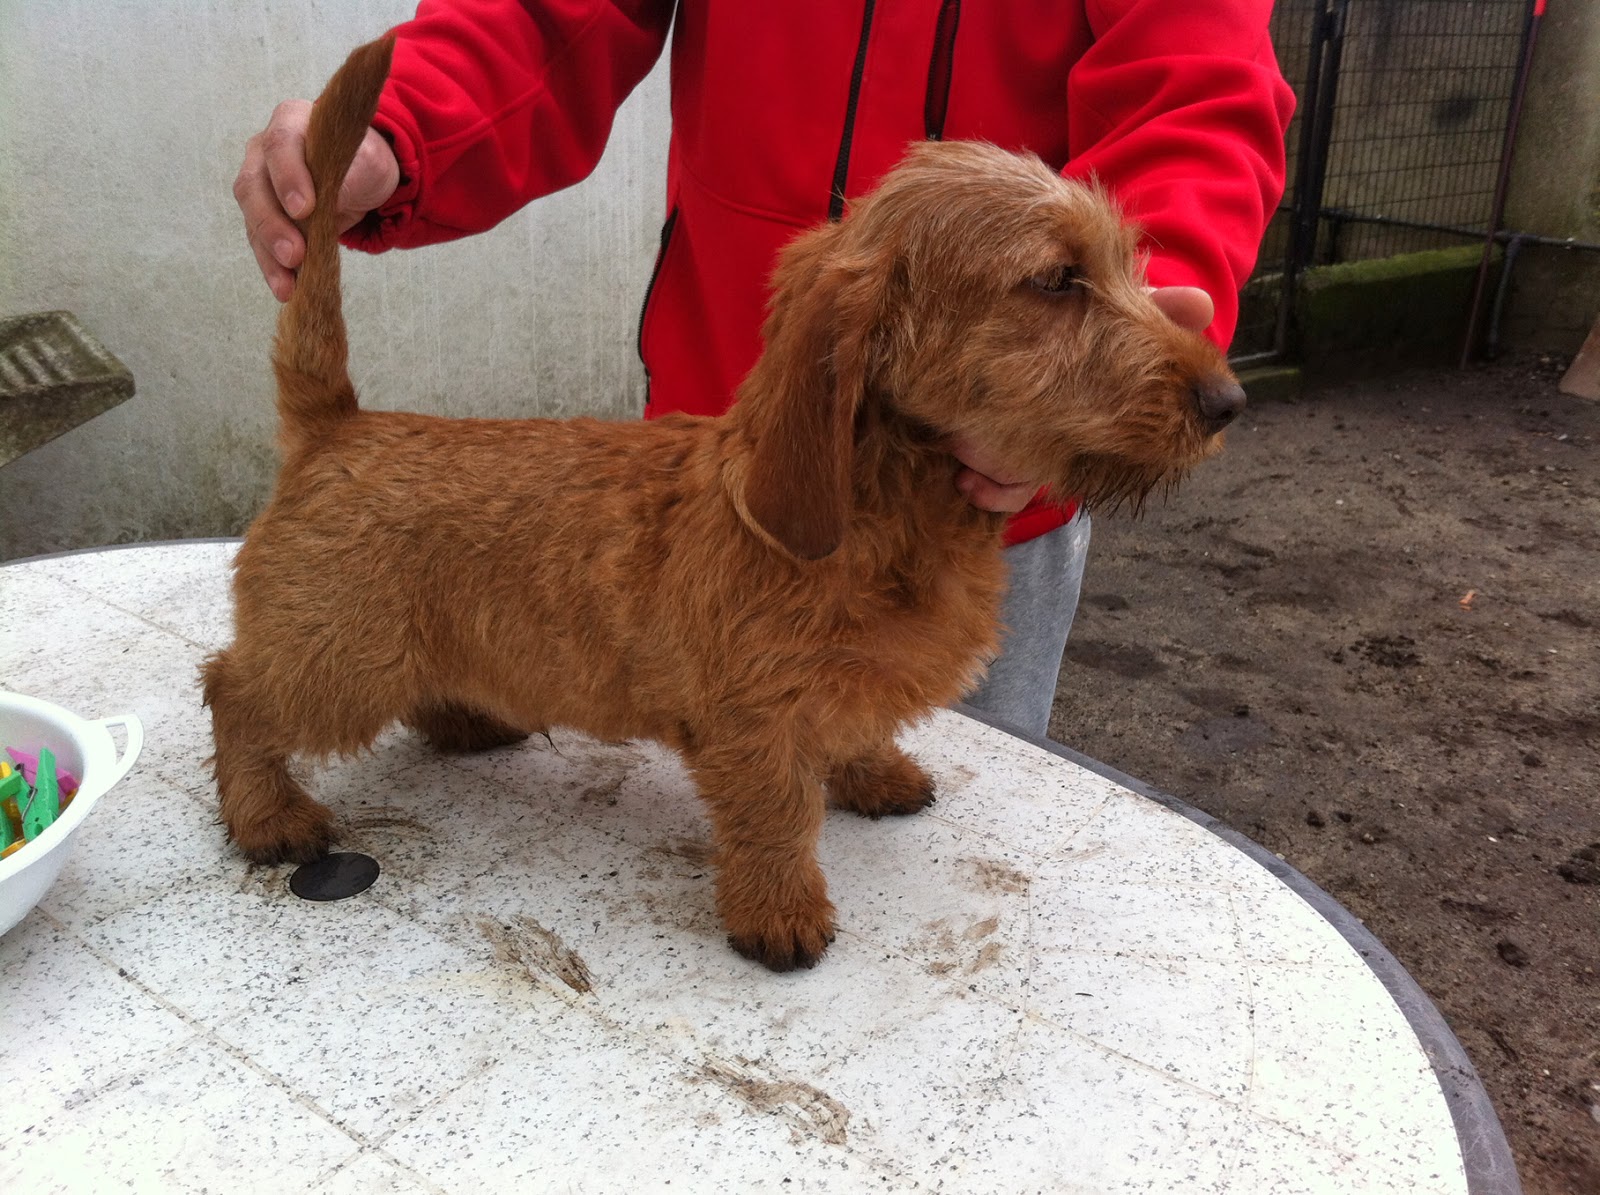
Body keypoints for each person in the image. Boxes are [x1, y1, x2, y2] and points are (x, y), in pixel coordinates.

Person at [233, 1, 1295, 739]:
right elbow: (550, 12)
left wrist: (1145, 307)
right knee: (717, 767)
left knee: (937, 895)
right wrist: (406, 122)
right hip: (715, 463)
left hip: (986, 487)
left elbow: (1200, 89)